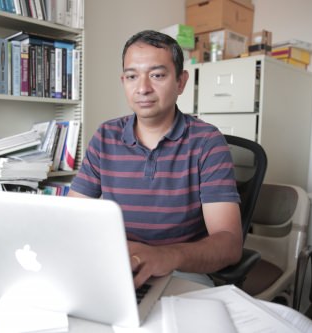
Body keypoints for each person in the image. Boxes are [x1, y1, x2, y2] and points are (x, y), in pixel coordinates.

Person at [68, 30, 242, 289]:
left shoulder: (207, 142)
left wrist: (166, 256)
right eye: (132, 76)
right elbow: (73, 216)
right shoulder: (106, 136)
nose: (143, 88)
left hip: (180, 272)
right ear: (123, 81)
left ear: (181, 82)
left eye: (157, 75)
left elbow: (229, 243)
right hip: (117, 267)